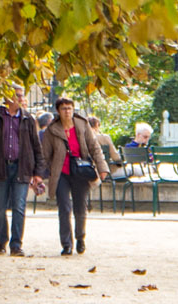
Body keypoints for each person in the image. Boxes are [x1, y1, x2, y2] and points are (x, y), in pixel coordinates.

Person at [0, 87, 44, 257]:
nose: (21, 99)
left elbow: (36, 147)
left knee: (19, 207)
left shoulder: (28, 118)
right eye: (17, 96)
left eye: (22, 96)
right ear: (7, 97)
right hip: (0, 167)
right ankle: (2, 241)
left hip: (22, 168)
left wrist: (38, 172)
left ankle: (16, 244)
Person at [40, 98, 107, 256]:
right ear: (58, 111)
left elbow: (94, 147)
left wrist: (102, 167)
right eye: (63, 108)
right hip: (61, 173)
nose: (67, 111)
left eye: (70, 108)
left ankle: (80, 237)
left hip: (80, 171)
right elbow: (45, 154)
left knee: (80, 207)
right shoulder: (52, 130)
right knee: (64, 208)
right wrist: (43, 173)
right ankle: (66, 244)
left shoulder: (82, 125)